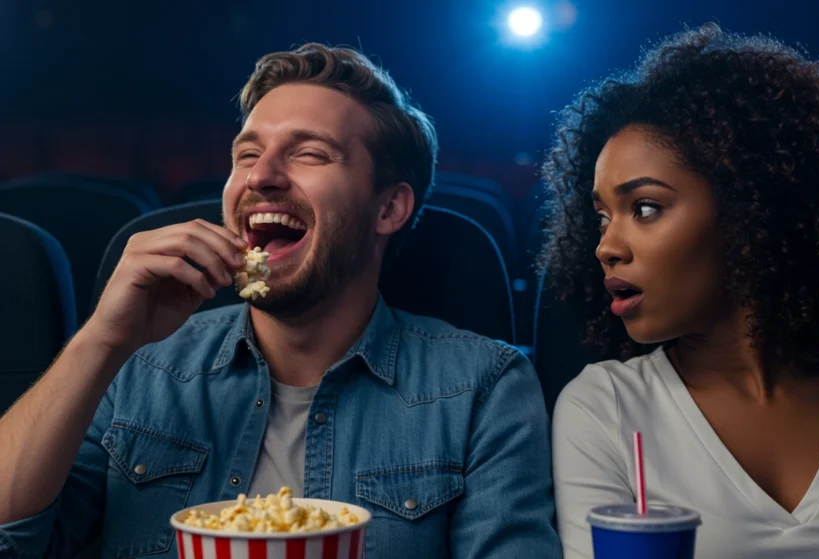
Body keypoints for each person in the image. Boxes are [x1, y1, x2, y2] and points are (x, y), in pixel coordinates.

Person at [0, 43, 560, 559]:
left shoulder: (484, 387)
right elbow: (14, 538)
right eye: (247, 155)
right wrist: (102, 339)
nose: (261, 176)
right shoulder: (136, 364)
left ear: (389, 209)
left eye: (310, 154)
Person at [543, 23, 819, 559]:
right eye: (602, 218)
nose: (606, 247)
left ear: (753, 208)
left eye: (646, 208)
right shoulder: (601, 408)